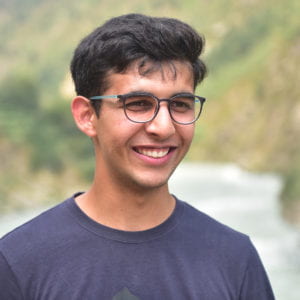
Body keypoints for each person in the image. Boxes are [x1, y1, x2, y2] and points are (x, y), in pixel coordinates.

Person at [0, 13, 274, 299]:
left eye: (180, 105)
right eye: (139, 104)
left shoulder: (234, 259)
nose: (164, 127)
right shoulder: (18, 263)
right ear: (87, 116)